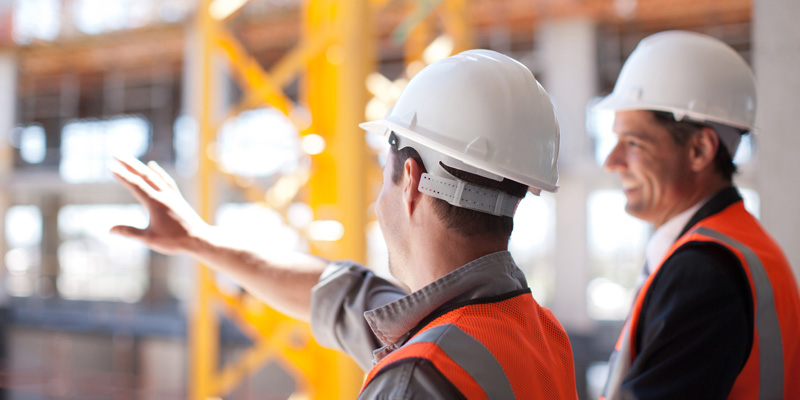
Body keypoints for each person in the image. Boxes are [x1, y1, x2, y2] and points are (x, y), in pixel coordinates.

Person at [111, 49, 578, 399]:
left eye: (384, 176)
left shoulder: (419, 376)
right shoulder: (536, 332)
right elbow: (343, 295)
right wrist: (200, 240)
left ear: (411, 180)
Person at [593, 31, 800, 399]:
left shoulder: (703, 272)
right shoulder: (741, 246)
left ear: (700, 149)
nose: (612, 162)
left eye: (634, 143)